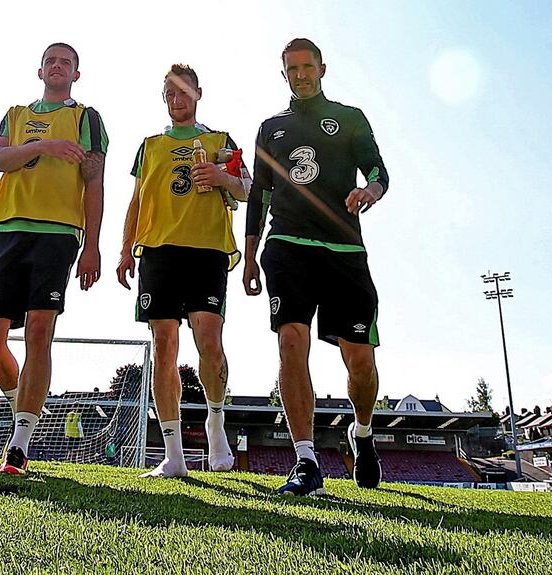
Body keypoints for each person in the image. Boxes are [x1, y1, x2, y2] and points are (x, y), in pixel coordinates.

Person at [244, 38, 389, 494]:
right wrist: (249, 254)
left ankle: (362, 434)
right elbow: (258, 195)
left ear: (322, 69)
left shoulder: (349, 118)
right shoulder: (271, 127)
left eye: (308, 67)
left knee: (360, 361)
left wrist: (370, 192)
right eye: (292, 69)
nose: (301, 75)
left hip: (344, 249)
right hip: (287, 244)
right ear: (283, 73)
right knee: (291, 341)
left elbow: (378, 170)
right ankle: (306, 461)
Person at [0, 42, 108, 475]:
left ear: (76, 74)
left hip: (57, 233)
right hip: (7, 228)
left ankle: (19, 443)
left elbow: (94, 184)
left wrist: (92, 245)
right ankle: (23, 403)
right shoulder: (16, 114)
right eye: (51, 60)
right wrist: (45, 146)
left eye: (66, 62)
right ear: (40, 71)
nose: (57, 66)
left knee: (39, 330)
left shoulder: (87, 118)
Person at [117, 64, 250, 478]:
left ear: (198, 93)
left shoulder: (219, 141)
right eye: (169, 94)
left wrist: (221, 178)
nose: (176, 100)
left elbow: (248, 187)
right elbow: (137, 202)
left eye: (183, 92)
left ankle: (216, 423)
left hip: (207, 250)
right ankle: (173, 456)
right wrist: (125, 251)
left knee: (209, 342)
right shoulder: (150, 145)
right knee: (164, 346)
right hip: (158, 252)